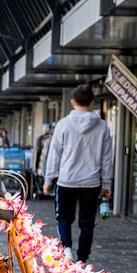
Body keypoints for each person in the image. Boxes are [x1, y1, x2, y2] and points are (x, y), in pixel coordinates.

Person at [42, 84, 114, 263]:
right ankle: (82, 259)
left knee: (63, 218)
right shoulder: (102, 127)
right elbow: (107, 159)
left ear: (72, 101)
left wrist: (48, 179)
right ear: (91, 102)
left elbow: (54, 154)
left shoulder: (63, 125)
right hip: (91, 183)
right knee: (87, 222)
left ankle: (66, 249)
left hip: (66, 181)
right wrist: (106, 184)